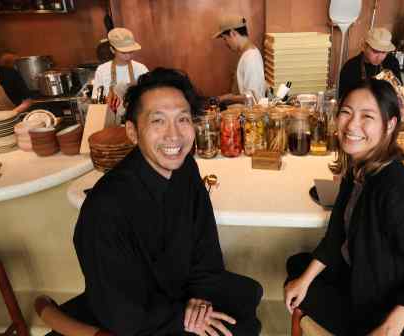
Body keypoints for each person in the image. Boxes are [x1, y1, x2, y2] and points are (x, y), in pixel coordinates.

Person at [50, 68, 262, 336]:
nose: (173, 135)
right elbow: (119, 307)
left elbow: (205, 248)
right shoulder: (104, 208)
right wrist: (183, 317)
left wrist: (200, 299)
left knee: (245, 303)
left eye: (183, 119)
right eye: (158, 121)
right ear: (132, 132)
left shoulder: (185, 170)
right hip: (141, 319)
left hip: (186, 295)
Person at [284, 79, 404, 335]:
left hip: (387, 307)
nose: (352, 125)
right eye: (347, 112)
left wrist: (390, 326)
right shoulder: (359, 168)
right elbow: (337, 233)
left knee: (298, 281)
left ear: (390, 125)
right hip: (360, 277)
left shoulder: (400, 194)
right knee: (297, 268)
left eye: (367, 116)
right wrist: (305, 281)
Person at [338, 27, 404, 122]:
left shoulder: (392, 62)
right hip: (360, 117)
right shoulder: (351, 67)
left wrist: (402, 108)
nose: (380, 57)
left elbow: (398, 91)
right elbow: (344, 102)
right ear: (364, 46)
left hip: (388, 113)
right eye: (375, 51)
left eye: (384, 52)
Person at [92, 27, 149, 123]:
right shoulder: (102, 70)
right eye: (123, 52)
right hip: (112, 122)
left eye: (131, 52)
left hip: (137, 120)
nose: (128, 56)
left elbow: (148, 97)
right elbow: (97, 101)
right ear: (112, 50)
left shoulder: (141, 69)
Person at [213, 15, 266, 105]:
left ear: (233, 33)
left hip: (252, 114)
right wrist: (223, 97)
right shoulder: (246, 54)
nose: (226, 43)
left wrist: (227, 98)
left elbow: (252, 97)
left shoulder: (251, 57)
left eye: (225, 39)